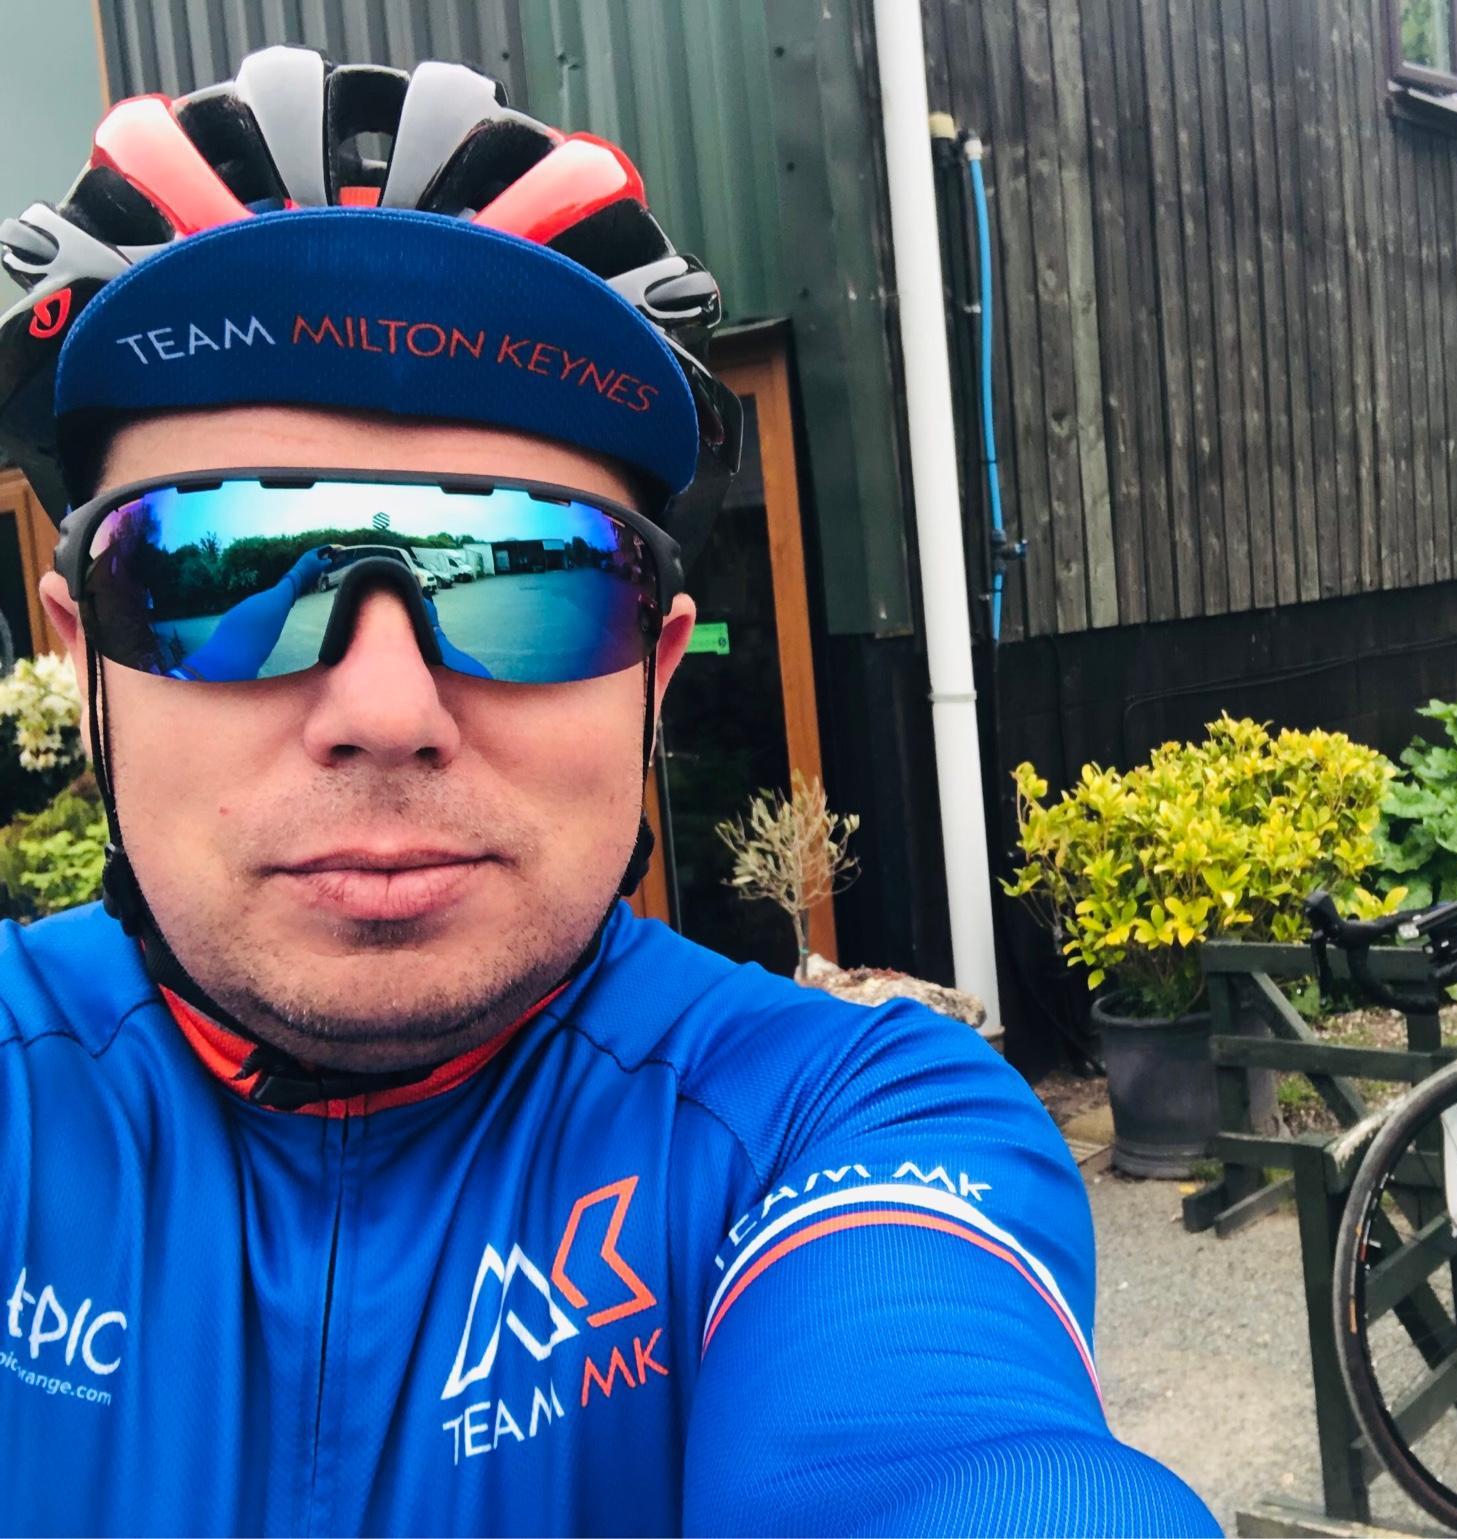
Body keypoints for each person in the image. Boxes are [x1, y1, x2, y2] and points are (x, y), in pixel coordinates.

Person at [0, 47, 1218, 1536]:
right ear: (82, 655)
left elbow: (944, 1458)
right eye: (221, 569)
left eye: (537, 578)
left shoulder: (836, 1120)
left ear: (656, 673)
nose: (386, 713)